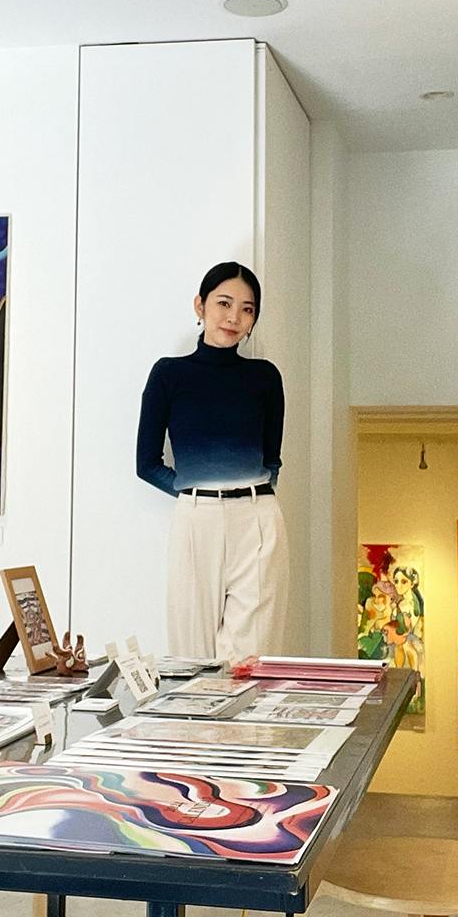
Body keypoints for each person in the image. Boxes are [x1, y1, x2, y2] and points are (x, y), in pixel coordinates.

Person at [136, 262, 288, 662]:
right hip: (196, 517)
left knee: (250, 658)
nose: (234, 317)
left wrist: (244, 493)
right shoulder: (169, 374)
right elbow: (146, 463)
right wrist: (195, 489)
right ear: (200, 305)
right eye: (224, 303)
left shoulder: (265, 377)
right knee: (192, 656)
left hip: (257, 517)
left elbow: (272, 458)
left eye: (247, 309)